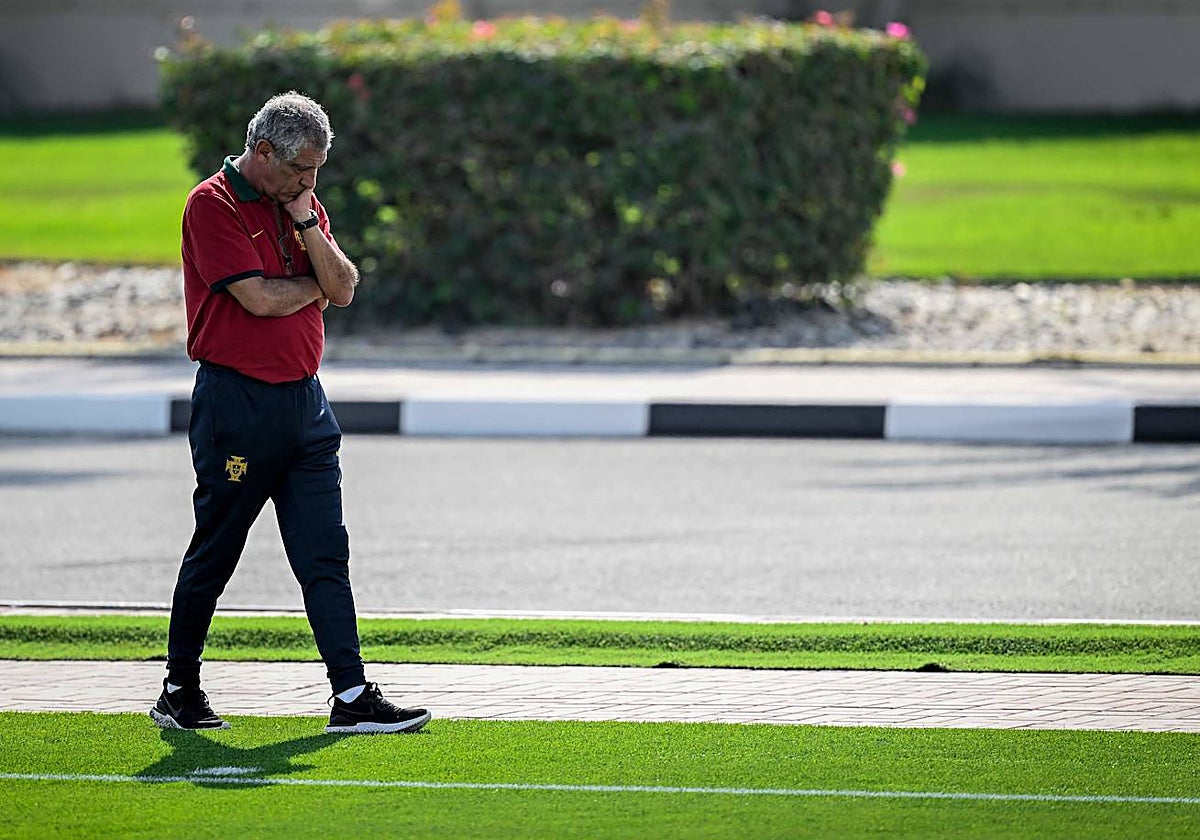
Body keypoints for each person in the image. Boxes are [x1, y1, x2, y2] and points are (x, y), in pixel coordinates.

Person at [151, 91, 430, 735]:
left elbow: (346, 288)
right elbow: (258, 301)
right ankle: (179, 686)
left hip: (305, 405)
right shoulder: (211, 205)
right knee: (217, 550)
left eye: (318, 171)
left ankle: (352, 693)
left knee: (325, 554)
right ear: (263, 151)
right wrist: (315, 291)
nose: (310, 181)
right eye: (301, 169)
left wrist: (307, 225)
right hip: (237, 405)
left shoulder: (302, 205)